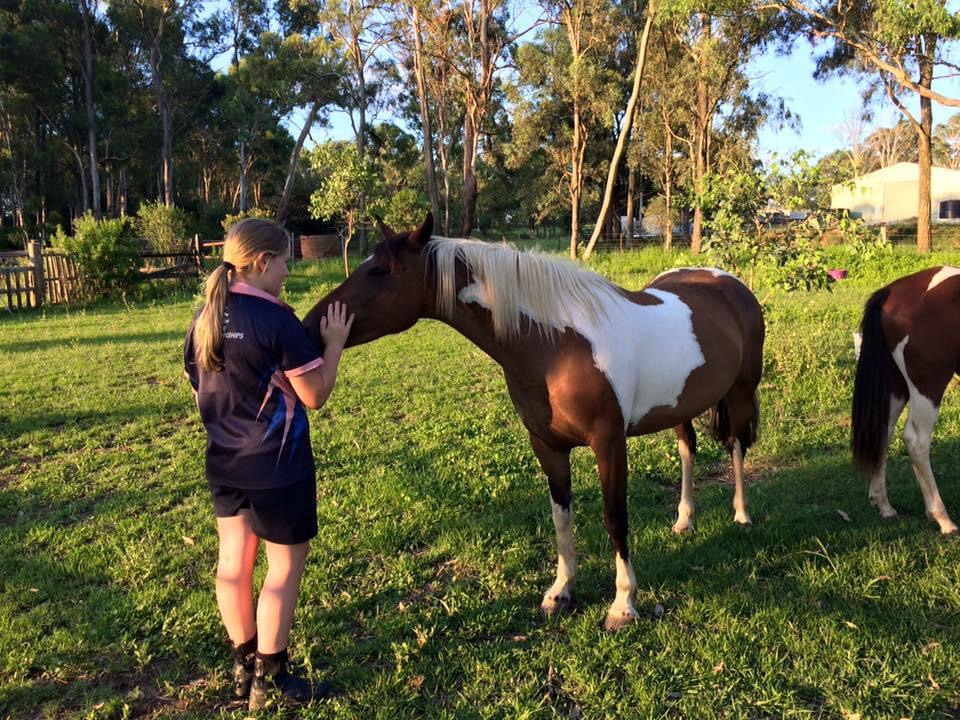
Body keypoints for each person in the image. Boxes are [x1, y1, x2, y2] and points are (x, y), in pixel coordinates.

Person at [183, 218, 353, 710]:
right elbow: (315, 394)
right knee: (283, 567)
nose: (287, 272)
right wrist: (335, 344)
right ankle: (271, 676)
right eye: (283, 262)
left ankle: (243, 667)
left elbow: (200, 397)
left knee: (233, 564)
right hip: (279, 468)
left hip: (225, 464)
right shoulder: (277, 321)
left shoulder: (203, 320)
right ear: (261, 262)